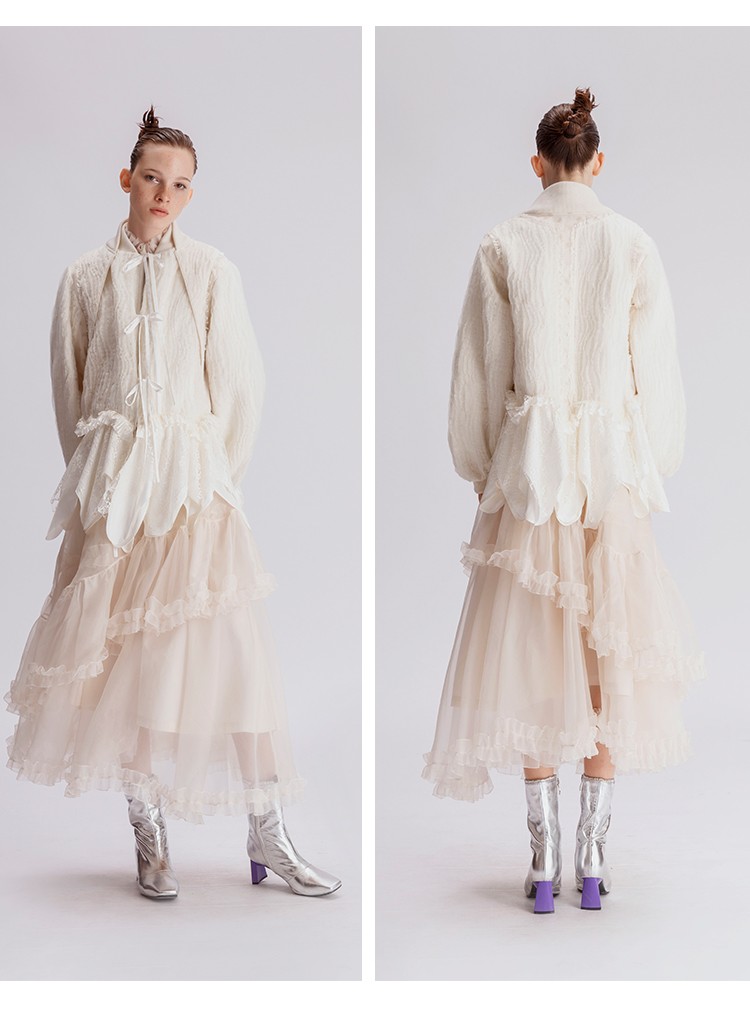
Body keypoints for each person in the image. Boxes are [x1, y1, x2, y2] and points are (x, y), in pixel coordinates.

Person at [5, 106, 341, 900]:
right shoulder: (85, 277)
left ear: (193, 193)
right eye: (152, 178)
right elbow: (70, 393)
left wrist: (210, 474)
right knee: (130, 666)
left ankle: (268, 828)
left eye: (180, 184)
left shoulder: (213, 272)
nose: (164, 194)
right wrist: (103, 477)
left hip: (196, 492)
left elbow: (241, 389)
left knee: (239, 659)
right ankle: (149, 835)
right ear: (126, 179)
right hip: (118, 496)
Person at [421, 88, 704, 913]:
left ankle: (543, 862)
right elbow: (658, 374)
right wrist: (649, 461)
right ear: (597, 163)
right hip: (610, 480)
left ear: (538, 164)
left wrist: (486, 467)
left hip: (533, 478)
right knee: (606, 662)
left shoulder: (503, 242)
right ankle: (592, 857)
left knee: (533, 661)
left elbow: (480, 371)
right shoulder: (633, 242)